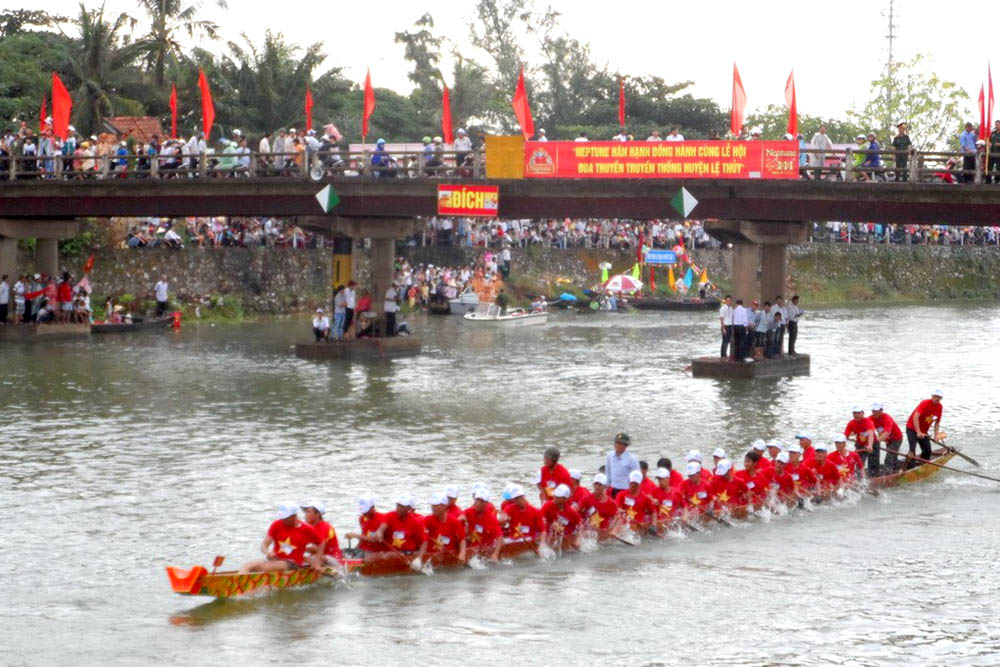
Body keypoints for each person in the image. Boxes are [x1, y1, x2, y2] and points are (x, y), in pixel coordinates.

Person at [239, 502, 322, 573]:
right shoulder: (276, 525)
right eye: (282, 517)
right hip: (275, 561)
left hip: (293, 564)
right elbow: (264, 545)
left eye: (286, 518)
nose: (283, 520)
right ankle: (239, 581)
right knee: (248, 565)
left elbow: (320, 544)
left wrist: (317, 562)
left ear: (294, 516)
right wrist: (268, 553)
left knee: (276, 565)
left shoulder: (307, 529)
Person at [382, 495, 429, 570]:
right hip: (393, 550)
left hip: (408, 552)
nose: (399, 508)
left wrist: (419, 559)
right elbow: (381, 528)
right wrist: (379, 533)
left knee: (388, 556)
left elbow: (424, 542)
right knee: (378, 554)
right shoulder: (390, 515)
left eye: (402, 506)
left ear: (408, 509)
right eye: (398, 505)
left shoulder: (416, 522)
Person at [423, 493, 468, 564]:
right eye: (432, 505)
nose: (432, 508)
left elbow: (462, 540)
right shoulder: (427, 520)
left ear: (444, 506)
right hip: (431, 557)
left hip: (449, 557)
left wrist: (462, 553)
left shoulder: (455, 522)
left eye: (435, 505)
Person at [905, 390, 943, 467]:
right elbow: (915, 417)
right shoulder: (925, 403)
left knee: (928, 451)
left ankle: (922, 465)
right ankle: (910, 467)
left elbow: (937, 422)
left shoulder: (940, 407)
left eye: (938, 397)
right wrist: (918, 432)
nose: (936, 398)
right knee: (912, 451)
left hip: (923, 431)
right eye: (935, 396)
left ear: (941, 398)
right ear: (932, 396)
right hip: (912, 428)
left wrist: (936, 435)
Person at [463, 487, 503, 560]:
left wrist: (495, 554)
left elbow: (500, 538)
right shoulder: (468, 511)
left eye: (481, 501)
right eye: (477, 500)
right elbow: (459, 519)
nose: (478, 503)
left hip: (485, 549)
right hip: (472, 546)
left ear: (486, 503)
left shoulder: (491, 519)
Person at [344, 495, 387, 561]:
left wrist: (355, 535)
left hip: (375, 551)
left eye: (366, 511)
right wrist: (354, 549)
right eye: (362, 511)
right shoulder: (362, 518)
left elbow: (374, 539)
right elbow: (362, 538)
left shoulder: (382, 518)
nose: (364, 513)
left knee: (363, 556)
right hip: (363, 550)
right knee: (343, 553)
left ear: (373, 507)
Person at [301, 500, 344, 566]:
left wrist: (298, 548)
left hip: (333, 559)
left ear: (318, 514)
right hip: (319, 557)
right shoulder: (308, 528)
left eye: (308, 512)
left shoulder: (324, 527)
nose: (305, 515)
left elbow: (318, 549)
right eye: (306, 512)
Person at [540, 484, 582, 548]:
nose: (555, 497)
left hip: (567, 539)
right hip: (552, 536)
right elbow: (539, 518)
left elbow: (581, 524)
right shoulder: (547, 506)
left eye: (558, 496)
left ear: (565, 499)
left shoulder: (571, 512)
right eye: (555, 495)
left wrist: (578, 539)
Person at [870, 402, 904, 474]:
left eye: (876, 411)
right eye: (873, 411)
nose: (874, 413)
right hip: (888, 440)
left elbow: (887, 433)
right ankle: (897, 468)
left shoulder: (887, 418)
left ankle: (888, 474)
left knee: (889, 457)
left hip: (896, 438)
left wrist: (877, 441)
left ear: (881, 411)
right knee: (892, 456)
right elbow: (864, 426)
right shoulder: (870, 418)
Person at [844, 405, 877, 475]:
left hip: (873, 444)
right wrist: (842, 448)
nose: (856, 415)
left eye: (858, 413)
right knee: (859, 463)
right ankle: (860, 478)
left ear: (862, 413)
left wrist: (870, 446)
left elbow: (871, 434)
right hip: (860, 444)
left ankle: (874, 477)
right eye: (854, 413)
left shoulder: (868, 422)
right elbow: (845, 436)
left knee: (873, 463)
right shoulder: (851, 423)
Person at [605, 432, 639, 498]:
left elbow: (637, 477)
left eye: (620, 444)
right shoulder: (610, 456)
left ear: (626, 446)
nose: (617, 445)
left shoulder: (632, 459)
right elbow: (608, 472)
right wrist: (607, 487)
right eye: (616, 442)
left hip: (626, 490)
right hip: (613, 489)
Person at [718, 294, 734, 360]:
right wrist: (723, 328)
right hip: (725, 326)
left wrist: (732, 328)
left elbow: (732, 318)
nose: (729, 302)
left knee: (728, 341)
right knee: (724, 341)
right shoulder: (722, 308)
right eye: (727, 300)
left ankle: (725, 354)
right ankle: (723, 355)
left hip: (730, 326)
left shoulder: (731, 308)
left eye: (730, 300)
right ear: (725, 301)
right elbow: (721, 318)